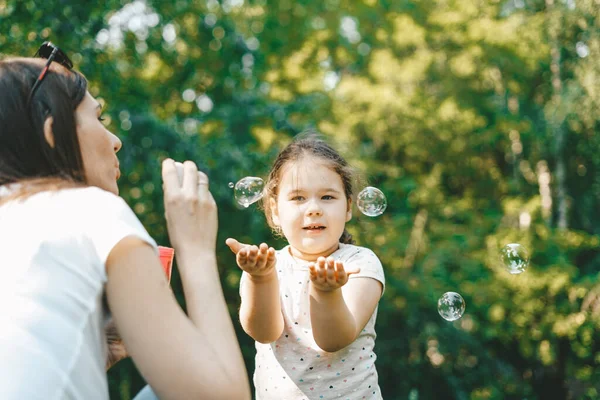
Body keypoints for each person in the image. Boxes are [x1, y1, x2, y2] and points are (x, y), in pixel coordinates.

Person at [0, 42, 251, 400]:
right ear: (53, 135)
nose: (115, 141)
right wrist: (195, 249)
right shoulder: (88, 209)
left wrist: (97, 353)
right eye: (98, 118)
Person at [226, 134, 385, 399]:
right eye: (298, 198)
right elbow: (264, 332)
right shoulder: (264, 265)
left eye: (327, 197)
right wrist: (260, 278)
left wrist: (326, 291)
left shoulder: (359, 264)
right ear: (274, 211)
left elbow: (334, 339)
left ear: (348, 207)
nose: (313, 209)